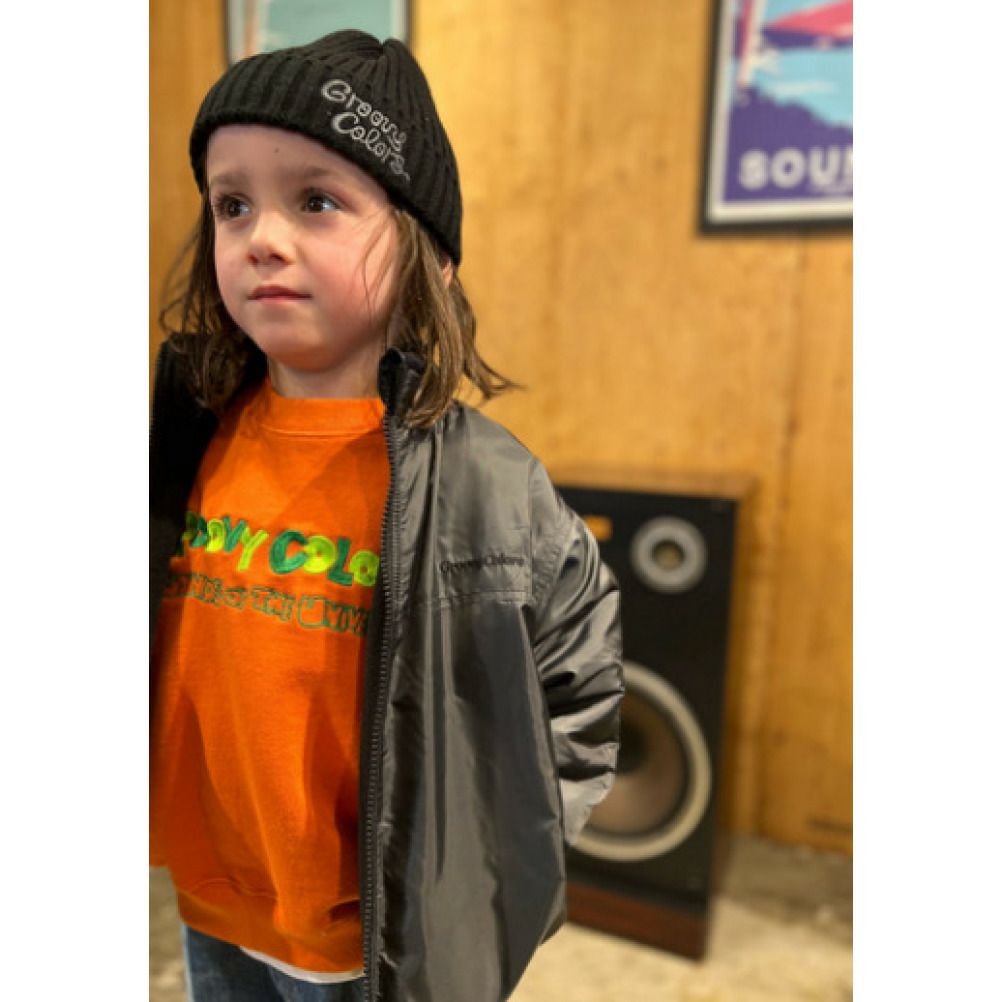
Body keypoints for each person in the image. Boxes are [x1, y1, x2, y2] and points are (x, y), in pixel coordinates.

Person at [150, 29, 624, 1002]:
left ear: (427, 254)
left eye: (316, 201)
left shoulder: (492, 487)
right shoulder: (181, 435)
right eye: (232, 204)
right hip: (209, 901)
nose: (262, 237)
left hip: (367, 947)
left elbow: (581, 686)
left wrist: (491, 862)